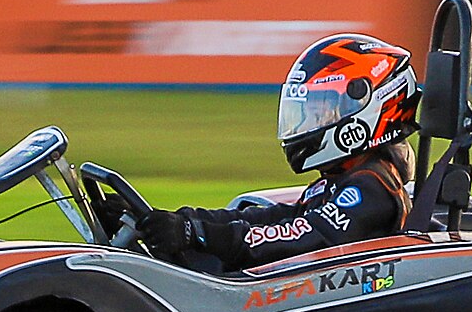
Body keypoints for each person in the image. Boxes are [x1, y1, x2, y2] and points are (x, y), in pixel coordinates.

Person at [106, 34, 421, 273]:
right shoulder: (340, 179)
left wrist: (199, 235)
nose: (310, 122)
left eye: (322, 109)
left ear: (369, 108)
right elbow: (271, 217)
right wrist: (175, 220)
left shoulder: (371, 188)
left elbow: (302, 237)